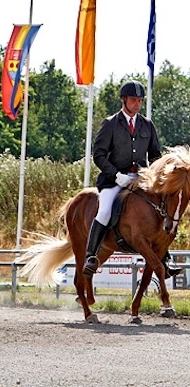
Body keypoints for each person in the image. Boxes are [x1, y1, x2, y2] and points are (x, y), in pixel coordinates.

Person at [83, 80, 181, 279]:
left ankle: (165, 259)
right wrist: (116, 176)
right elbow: (99, 155)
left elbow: (155, 155)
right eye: (133, 100)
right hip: (114, 180)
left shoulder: (147, 124)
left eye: (140, 101)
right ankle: (91, 256)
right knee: (104, 210)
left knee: (161, 208)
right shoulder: (111, 124)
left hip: (141, 178)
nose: (137, 104)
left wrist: (158, 177)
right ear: (124, 100)